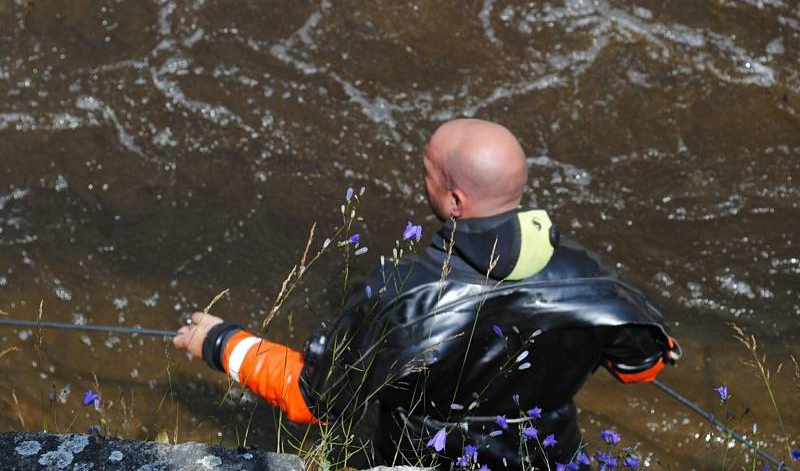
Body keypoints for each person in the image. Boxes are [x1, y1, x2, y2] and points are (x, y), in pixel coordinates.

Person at [174, 119, 680, 469]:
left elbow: (315, 398)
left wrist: (222, 343)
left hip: (419, 462)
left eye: (428, 173)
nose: (424, 181)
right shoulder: (590, 276)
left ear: (455, 200)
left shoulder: (402, 295)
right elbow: (641, 367)